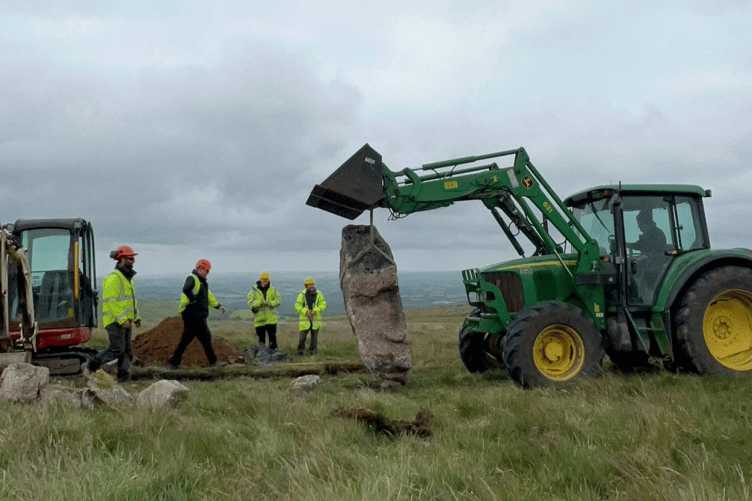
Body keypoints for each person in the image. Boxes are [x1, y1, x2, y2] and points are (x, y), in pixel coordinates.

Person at [84, 245, 141, 382]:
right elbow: (111, 302)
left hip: (125, 321)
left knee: (127, 352)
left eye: (133, 259)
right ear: (121, 260)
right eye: (130, 258)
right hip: (115, 322)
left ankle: (123, 378)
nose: (133, 261)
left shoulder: (127, 279)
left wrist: (136, 317)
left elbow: (130, 302)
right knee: (117, 350)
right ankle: (90, 366)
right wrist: (122, 320)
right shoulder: (113, 278)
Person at [169, 259, 227, 369]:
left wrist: (218, 306)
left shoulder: (202, 282)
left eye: (206, 270)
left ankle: (174, 362)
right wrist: (192, 300)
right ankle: (213, 362)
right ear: (197, 268)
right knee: (205, 336)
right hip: (193, 314)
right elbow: (186, 289)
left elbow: (209, 297)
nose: (204, 272)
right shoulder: (193, 278)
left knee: (186, 338)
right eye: (202, 269)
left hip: (194, 315)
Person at [247, 271, 281, 349]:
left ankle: (275, 357)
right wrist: (260, 303)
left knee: (273, 340)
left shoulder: (273, 290)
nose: (265, 281)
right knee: (261, 341)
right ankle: (262, 357)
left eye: (266, 280)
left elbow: (278, 300)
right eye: (263, 279)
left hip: (271, 320)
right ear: (260, 280)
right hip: (259, 320)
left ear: (269, 280)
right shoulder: (254, 291)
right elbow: (251, 303)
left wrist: (271, 303)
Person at [294, 276, 327, 356]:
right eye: (309, 284)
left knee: (314, 340)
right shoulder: (302, 295)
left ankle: (313, 352)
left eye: (312, 284)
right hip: (305, 321)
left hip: (315, 321)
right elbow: (297, 306)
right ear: (306, 285)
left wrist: (315, 311)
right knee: (302, 338)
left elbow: (323, 304)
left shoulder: (319, 294)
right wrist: (306, 312)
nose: (311, 286)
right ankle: (300, 352)